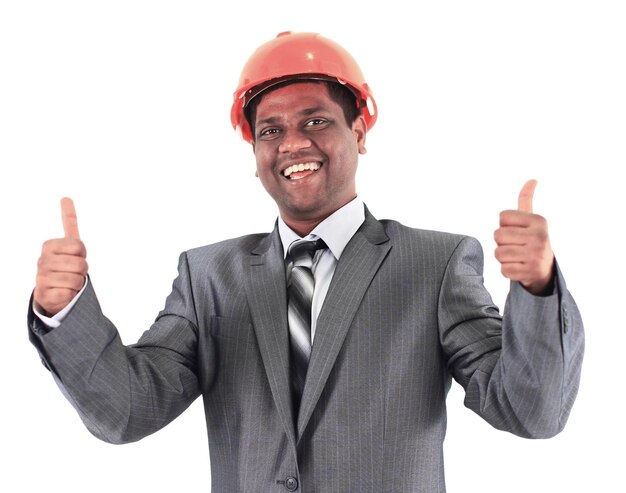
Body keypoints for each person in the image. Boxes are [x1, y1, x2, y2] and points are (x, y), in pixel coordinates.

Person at [28, 31, 584, 493]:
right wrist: (64, 310)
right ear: (255, 156)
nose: (292, 142)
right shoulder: (207, 278)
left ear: (359, 133)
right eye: (271, 130)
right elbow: (127, 410)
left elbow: (530, 411)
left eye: (315, 121)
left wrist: (536, 288)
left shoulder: (434, 264)